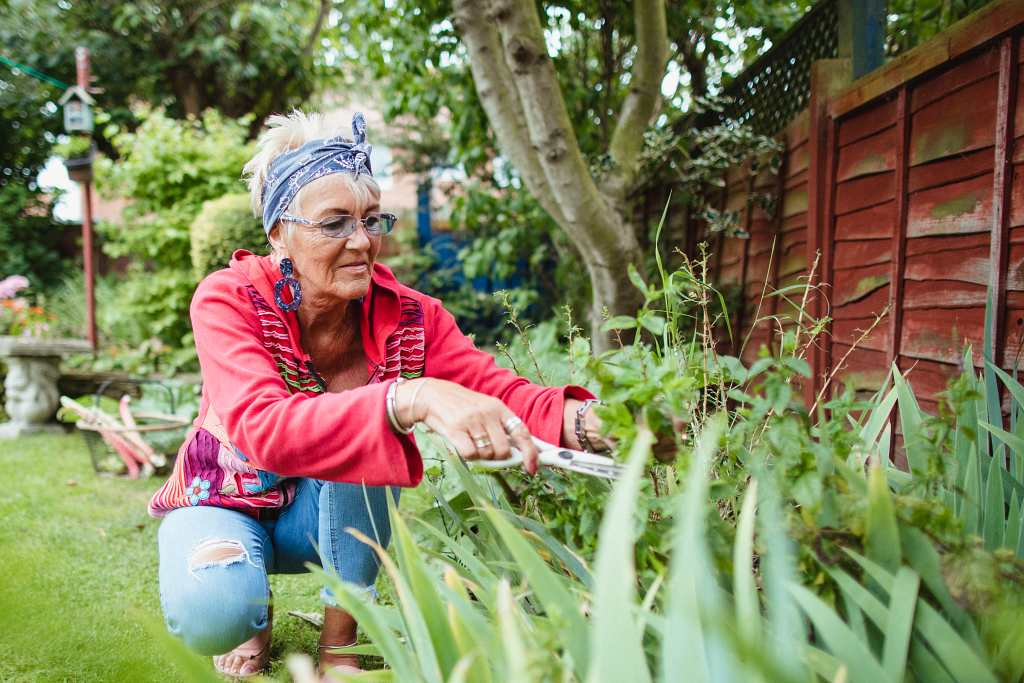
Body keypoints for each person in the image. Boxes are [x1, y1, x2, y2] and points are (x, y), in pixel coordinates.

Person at [149, 111, 606, 678]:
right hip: (222, 501)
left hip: (318, 519)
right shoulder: (229, 300)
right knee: (217, 613)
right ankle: (249, 609)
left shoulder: (411, 315)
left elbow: (496, 389)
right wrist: (407, 398)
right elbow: (263, 427)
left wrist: (592, 422)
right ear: (278, 234)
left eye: (371, 219)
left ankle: (340, 647)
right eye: (335, 223)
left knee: (366, 447)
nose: (362, 241)